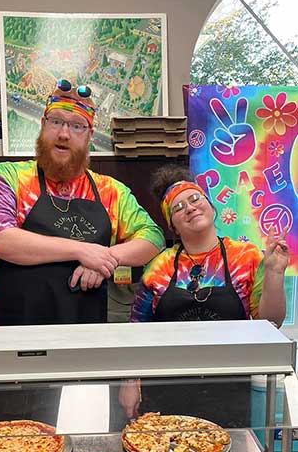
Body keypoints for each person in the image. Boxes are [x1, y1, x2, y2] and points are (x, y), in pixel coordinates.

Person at [0, 78, 164, 327]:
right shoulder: (8, 177)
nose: (64, 134)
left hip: (84, 337)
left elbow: (153, 237)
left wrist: (106, 259)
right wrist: (82, 250)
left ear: (90, 135)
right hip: (14, 335)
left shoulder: (111, 191)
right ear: (43, 125)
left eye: (77, 126)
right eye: (56, 122)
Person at [119, 164, 289, 425]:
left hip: (230, 389)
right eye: (178, 207)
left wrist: (275, 274)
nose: (189, 207)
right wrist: (130, 382)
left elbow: (271, 322)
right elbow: (137, 331)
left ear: (212, 207)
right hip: (165, 391)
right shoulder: (159, 267)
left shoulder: (247, 257)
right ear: (173, 226)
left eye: (195, 198)